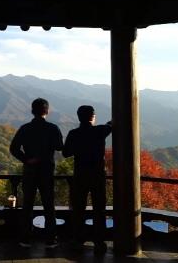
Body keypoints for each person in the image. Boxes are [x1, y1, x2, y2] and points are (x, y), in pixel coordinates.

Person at [10, 98, 63, 248]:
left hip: (30, 171)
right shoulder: (52, 128)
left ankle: (26, 238)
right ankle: (50, 239)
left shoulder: (24, 128)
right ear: (47, 111)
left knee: (27, 204)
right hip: (47, 171)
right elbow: (59, 147)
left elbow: (13, 148)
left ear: (32, 111)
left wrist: (27, 159)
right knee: (49, 205)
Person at [62, 105, 112, 254]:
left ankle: (78, 240)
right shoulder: (100, 131)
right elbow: (111, 125)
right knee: (99, 209)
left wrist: (77, 148)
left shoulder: (73, 133)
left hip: (80, 175)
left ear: (79, 117)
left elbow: (65, 153)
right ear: (92, 117)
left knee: (78, 209)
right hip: (97, 176)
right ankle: (99, 242)